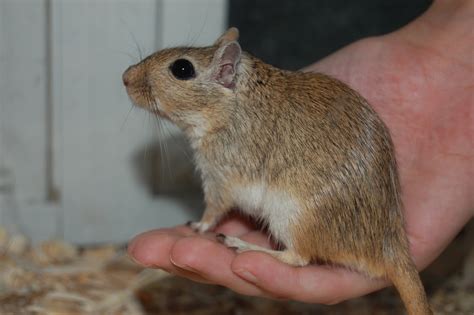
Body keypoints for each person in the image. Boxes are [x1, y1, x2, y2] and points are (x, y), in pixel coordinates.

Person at [128, 0, 473, 305]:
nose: (132, 77)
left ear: (225, 75)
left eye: (181, 71)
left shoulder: (227, 127)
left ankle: (297, 254)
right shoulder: (236, 114)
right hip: (355, 208)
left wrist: (208, 220)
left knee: (294, 197)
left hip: (326, 207)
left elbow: (226, 184)